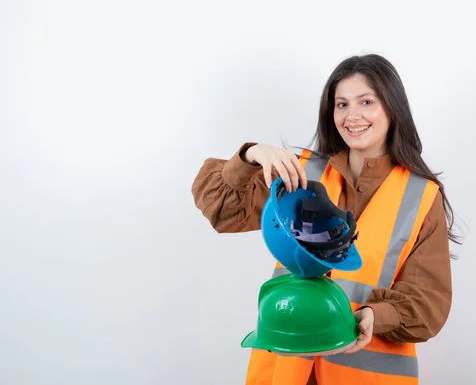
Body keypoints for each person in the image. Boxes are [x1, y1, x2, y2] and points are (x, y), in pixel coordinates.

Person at [191, 54, 460, 385]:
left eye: (366, 102)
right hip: (286, 373)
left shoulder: (421, 196)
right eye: (342, 104)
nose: (352, 116)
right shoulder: (300, 172)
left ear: (392, 107)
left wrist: (377, 315)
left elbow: (429, 300)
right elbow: (222, 212)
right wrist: (251, 155)